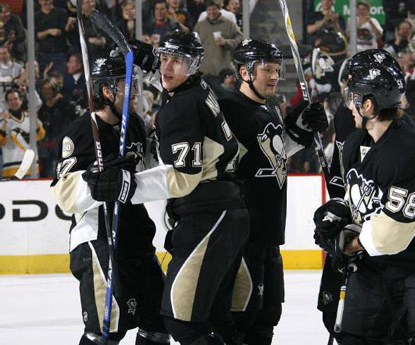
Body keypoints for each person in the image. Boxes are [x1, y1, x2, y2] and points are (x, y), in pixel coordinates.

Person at [83, 31, 250, 345]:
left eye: (178, 61)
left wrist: (126, 185)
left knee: (181, 321)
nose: (168, 67)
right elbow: (176, 84)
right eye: (164, 59)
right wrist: (149, 67)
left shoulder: (180, 109)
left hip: (207, 216)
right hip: (227, 212)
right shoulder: (202, 88)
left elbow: (184, 177)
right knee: (212, 317)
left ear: (195, 64)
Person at [313, 49, 415, 345]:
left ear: (368, 104)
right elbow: (361, 201)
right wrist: (340, 213)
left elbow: (390, 235)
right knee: (355, 337)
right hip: (374, 265)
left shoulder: (408, 151)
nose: (349, 106)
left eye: (352, 97)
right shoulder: (356, 143)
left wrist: (348, 243)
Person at [50, 56, 170, 345]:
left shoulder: (136, 126)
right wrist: (92, 184)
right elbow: (64, 195)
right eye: (126, 86)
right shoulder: (80, 132)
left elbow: (150, 171)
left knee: (159, 321)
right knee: (107, 326)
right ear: (106, 92)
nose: (134, 93)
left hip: (136, 235)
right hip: (97, 237)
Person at [218, 39, 328, 345]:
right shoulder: (229, 110)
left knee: (266, 320)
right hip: (242, 238)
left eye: (277, 69)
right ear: (245, 72)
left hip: (268, 235)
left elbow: (273, 154)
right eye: (267, 69)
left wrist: (300, 131)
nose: (275, 76)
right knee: (239, 322)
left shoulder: (268, 106)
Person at [0, 88, 45, 178]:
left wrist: (35, 118)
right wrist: (4, 123)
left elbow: (40, 136)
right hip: (11, 169)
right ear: (7, 103)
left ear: (21, 100)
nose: (13, 102)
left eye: (15, 99)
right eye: (10, 100)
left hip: (31, 168)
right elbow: (2, 141)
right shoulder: (2, 120)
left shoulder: (30, 116)